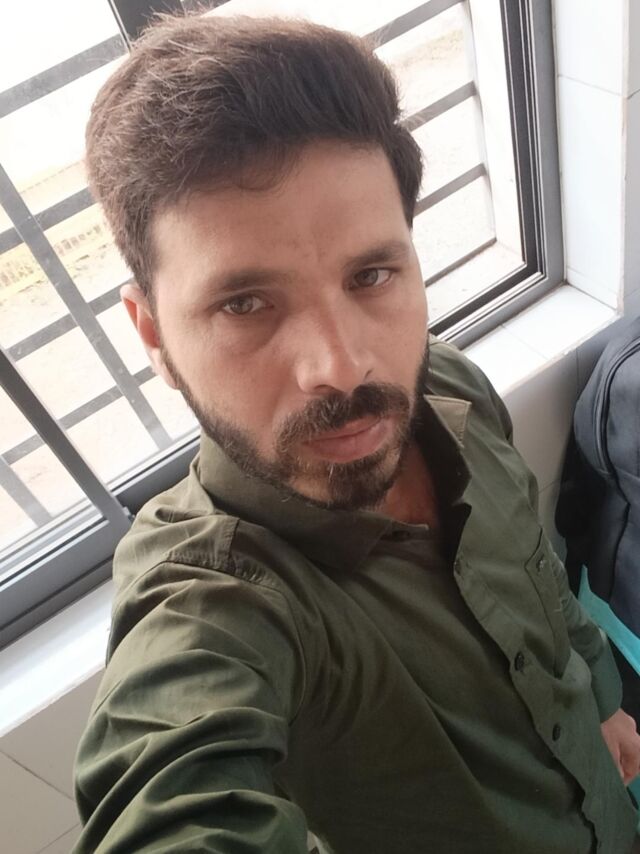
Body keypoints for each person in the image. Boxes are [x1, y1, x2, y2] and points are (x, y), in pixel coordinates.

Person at [72, 12, 640, 854]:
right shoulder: (213, 602)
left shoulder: (445, 386)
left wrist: (598, 698)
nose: (340, 367)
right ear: (154, 336)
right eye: (245, 303)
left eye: (371, 274)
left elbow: (543, 581)